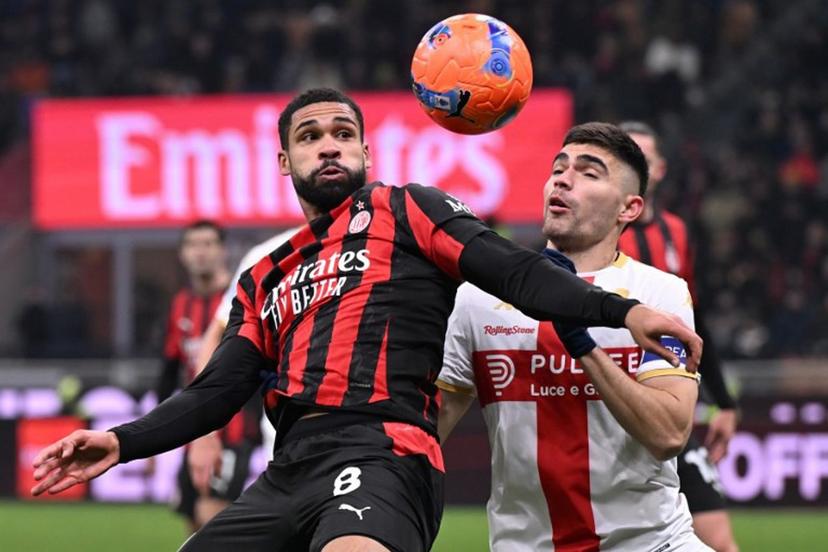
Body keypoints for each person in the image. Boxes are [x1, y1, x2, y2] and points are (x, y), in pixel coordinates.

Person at [31, 88, 701, 552]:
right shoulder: (265, 275)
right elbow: (217, 389)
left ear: (366, 155)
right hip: (289, 467)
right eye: (310, 137)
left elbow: (514, 271)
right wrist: (120, 442)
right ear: (284, 162)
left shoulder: (408, 210)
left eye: (343, 134)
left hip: (383, 453)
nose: (329, 146)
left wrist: (623, 310)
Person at [437, 122, 711, 551]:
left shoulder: (660, 294)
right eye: (558, 168)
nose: (563, 179)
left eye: (589, 172)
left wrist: (580, 341)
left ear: (629, 208)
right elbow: (429, 430)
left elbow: (668, 436)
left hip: (653, 543)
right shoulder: (477, 298)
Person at [618, 121, 739, 552]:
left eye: (644, 158)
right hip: (612, 407)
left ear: (661, 169)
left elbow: (694, 321)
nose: (636, 165)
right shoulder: (596, 234)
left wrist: (724, 403)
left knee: (720, 541)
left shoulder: (677, 232)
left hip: (668, 405)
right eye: (626, 155)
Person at [153, 220, 261, 533]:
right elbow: (169, 371)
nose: (200, 252)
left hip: (233, 431)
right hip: (193, 432)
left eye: (209, 244)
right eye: (193, 245)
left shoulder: (242, 299)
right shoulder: (180, 305)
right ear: (182, 254)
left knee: (210, 516)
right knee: (192, 520)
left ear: (223, 251)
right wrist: (153, 435)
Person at [186, 226, 298, 494]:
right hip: (286, 444)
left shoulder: (389, 239)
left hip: (372, 440)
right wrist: (204, 430)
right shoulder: (269, 255)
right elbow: (215, 337)